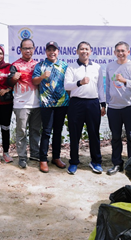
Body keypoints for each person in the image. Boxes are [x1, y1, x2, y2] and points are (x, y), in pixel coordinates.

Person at [64, 41, 106, 175]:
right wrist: (79, 82)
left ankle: (96, 161)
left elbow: (100, 87)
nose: (84, 51)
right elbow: (67, 86)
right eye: (81, 49)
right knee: (75, 134)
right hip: (76, 103)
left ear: (91, 51)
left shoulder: (97, 67)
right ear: (77, 51)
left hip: (93, 103)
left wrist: (103, 104)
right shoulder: (71, 67)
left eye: (86, 49)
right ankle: (74, 162)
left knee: (94, 134)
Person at [32, 41, 69, 173]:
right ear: (46, 52)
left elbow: (69, 83)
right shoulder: (40, 65)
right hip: (46, 104)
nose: (52, 52)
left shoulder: (64, 66)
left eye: (54, 50)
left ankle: (56, 157)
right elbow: (34, 81)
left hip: (62, 104)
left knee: (58, 132)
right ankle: (43, 159)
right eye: (49, 50)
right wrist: (42, 76)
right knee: (46, 132)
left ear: (58, 51)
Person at [105, 41, 131, 175]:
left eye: (123, 51)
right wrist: (107, 103)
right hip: (113, 108)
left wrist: (124, 80)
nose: (120, 53)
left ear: (128, 52)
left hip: (129, 106)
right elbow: (108, 86)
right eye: (118, 51)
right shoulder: (110, 66)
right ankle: (117, 164)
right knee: (115, 137)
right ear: (114, 53)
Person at [8, 38, 41, 169]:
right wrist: (13, 79)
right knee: (21, 131)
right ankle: (22, 157)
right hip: (21, 103)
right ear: (20, 49)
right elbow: (9, 84)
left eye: (30, 48)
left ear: (34, 49)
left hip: (37, 103)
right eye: (25, 48)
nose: (28, 50)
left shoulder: (38, 65)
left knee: (35, 130)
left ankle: (35, 153)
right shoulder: (15, 65)